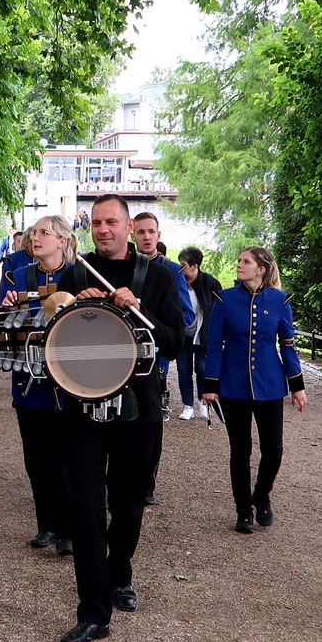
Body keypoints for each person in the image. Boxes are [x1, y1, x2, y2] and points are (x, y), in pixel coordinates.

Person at [51, 194, 186, 642]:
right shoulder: (75, 272)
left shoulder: (160, 276)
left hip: (137, 411)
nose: (102, 229)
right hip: (83, 409)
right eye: (96, 223)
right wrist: (71, 305)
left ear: (129, 228)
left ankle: (121, 570)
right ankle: (94, 609)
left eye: (111, 222)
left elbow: (173, 343)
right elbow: (55, 338)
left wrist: (136, 311)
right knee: (85, 505)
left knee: (127, 504)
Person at [200, 247, 309, 533]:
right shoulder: (223, 300)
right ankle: (242, 510)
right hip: (232, 386)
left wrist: (296, 386)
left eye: (245, 262)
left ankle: (261, 495)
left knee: (274, 450)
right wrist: (210, 385)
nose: (239, 265)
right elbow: (213, 345)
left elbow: (287, 345)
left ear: (261, 268)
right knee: (241, 450)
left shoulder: (280, 301)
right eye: (239, 261)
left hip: (270, 386)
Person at [0, 215, 78, 556]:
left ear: (62, 241)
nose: (36, 237)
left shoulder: (79, 276)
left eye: (44, 233)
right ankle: (45, 525)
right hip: (29, 380)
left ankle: (68, 530)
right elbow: (2, 329)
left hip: (69, 383)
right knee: (36, 459)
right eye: (34, 233)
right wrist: (5, 312)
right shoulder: (18, 276)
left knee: (67, 459)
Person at [129, 212, 193, 506]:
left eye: (150, 231)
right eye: (140, 231)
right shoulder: (127, 266)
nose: (146, 237)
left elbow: (185, 317)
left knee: (152, 423)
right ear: (132, 233)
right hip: (124, 353)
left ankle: (146, 485)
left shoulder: (171, 270)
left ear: (158, 234)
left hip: (156, 357)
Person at [176, 247, 221, 420]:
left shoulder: (210, 283)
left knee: (202, 368)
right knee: (183, 369)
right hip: (183, 334)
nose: (180, 269)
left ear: (195, 266)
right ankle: (188, 405)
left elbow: (220, 307)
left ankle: (204, 402)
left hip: (203, 334)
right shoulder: (177, 281)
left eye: (183, 265)